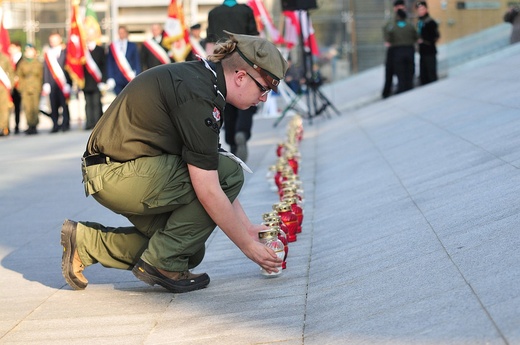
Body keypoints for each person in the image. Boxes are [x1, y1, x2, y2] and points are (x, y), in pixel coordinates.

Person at [60, 32, 288, 294]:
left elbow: (211, 166)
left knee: (188, 250)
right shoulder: (197, 94)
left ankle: (87, 243)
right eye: (264, 88)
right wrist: (248, 248)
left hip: (119, 172)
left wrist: (247, 229)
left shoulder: (204, 83)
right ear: (240, 76)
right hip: (116, 174)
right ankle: (162, 262)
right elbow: (212, 186)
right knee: (229, 175)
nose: (264, 98)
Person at [206, 0, 260, 162]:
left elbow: (210, 44)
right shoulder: (245, 11)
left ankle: (233, 144)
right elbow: (254, 39)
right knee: (247, 101)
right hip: (245, 63)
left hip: (223, 65)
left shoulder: (214, 13)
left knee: (227, 102)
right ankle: (242, 132)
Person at [384, 7, 418, 95]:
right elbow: (416, 37)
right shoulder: (410, 25)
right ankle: (409, 86)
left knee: (400, 71)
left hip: (398, 51)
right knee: (410, 70)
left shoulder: (393, 26)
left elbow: (388, 38)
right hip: (409, 50)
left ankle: (402, 88)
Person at [42, 32, 72, 133]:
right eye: (51, 40)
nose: (53, 42)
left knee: (64, 105)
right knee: (53, 105)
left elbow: (69, 69)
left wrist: (69, 83)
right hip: (52, 83)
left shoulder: (66, 52)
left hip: (64, 83)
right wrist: (46, 83)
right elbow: (45, 69)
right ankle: (55, 125)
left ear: (60, 40)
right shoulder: (48, 53)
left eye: (55, 39)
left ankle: (65, 123)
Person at [16, 44, 43, 135]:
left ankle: (34, 125)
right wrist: (21, 87)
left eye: (30, 50)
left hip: (36, 87)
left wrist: (41, 87)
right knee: (27, 107)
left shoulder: (38, 63)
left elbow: (41, 76)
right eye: (27, 51)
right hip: (25, 88)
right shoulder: (22, 63)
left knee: (35, 107)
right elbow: (19, 76)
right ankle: (29, 125)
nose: (28, 53)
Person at [382, 0, 406, 99]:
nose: (399, 8)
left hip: (405, 49)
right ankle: (387, 92)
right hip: (393, 49)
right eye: (397, 6)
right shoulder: (391, 21)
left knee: (404, 71)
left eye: (401, 6)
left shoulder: (407, 20)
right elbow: (386, 32)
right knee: (389, 71)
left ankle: (402, 88)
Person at [106, 26, 141, 95]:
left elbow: (137, 61)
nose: (121, 34)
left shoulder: (132, 45)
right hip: (117, 78)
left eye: (123, 32)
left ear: (126, 33)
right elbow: (109, 63)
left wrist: (137, 75)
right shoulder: (113, 46)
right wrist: (110, 77)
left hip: (130, 77)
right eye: (120, 33)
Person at [83, 27, 106, 130]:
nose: (89, 36)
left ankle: (97, 124)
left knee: (97, 103)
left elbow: (104, 66)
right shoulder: (83, 51)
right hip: (86, 82)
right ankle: (89, 122)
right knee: (88, 103)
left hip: (97, 81)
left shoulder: (100, 50)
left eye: (91, 34)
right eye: (88, 34)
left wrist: (103, 81)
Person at [415, 1, 439, 86]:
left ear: (426, 9)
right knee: (423, 76)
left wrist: (424, 40)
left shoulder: (430, 22)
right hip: (422, 52)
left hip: (430, 51)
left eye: (422, 9)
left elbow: (436, 36)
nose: (420, 11)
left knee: (431, 74)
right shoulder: (420, 22)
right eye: (419, 9)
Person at [0, 42, 15, 137]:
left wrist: (11, 85)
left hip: (3, 87)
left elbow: (11, 72)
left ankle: (4, 127)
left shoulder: (5, 58)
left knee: (4, 108)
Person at [9, 41, 22, 134]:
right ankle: (6, 126)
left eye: (12, 47)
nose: (10, 50)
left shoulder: (23, 59)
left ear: (18, 48)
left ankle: (18, 125)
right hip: (11, 87)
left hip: (21, 87)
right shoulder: (9, 59)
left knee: (19, 107)